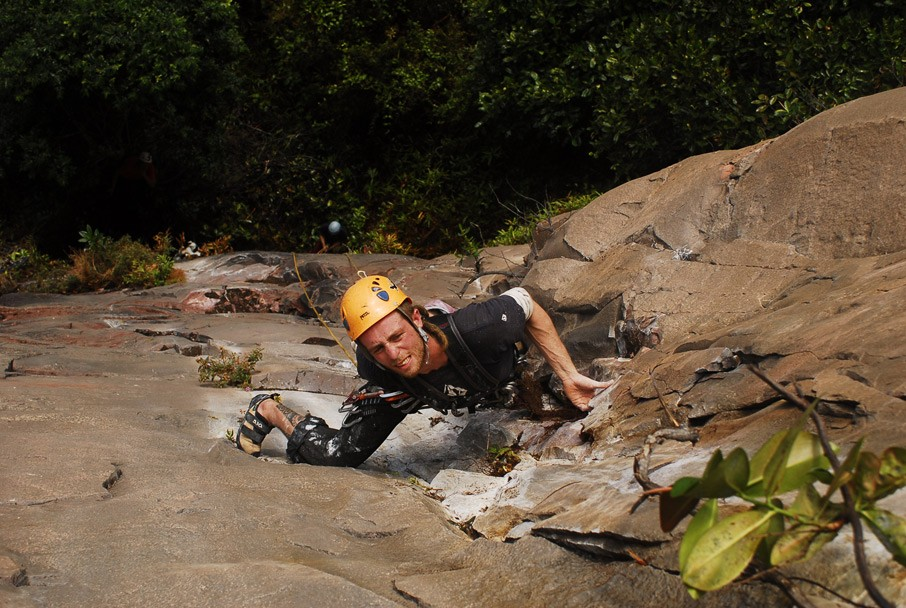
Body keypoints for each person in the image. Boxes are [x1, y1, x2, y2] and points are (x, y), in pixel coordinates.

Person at [234, 274, 612, 466]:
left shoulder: (478, 329)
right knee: (339, 454)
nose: (393, 353)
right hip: (411, 390)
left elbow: (525, 302)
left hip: (482, 371)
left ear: (415, 317)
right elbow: (386, 365)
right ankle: (269, 408)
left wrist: (567, 373)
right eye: (377, 347)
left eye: (397, 336)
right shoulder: (376, 365)